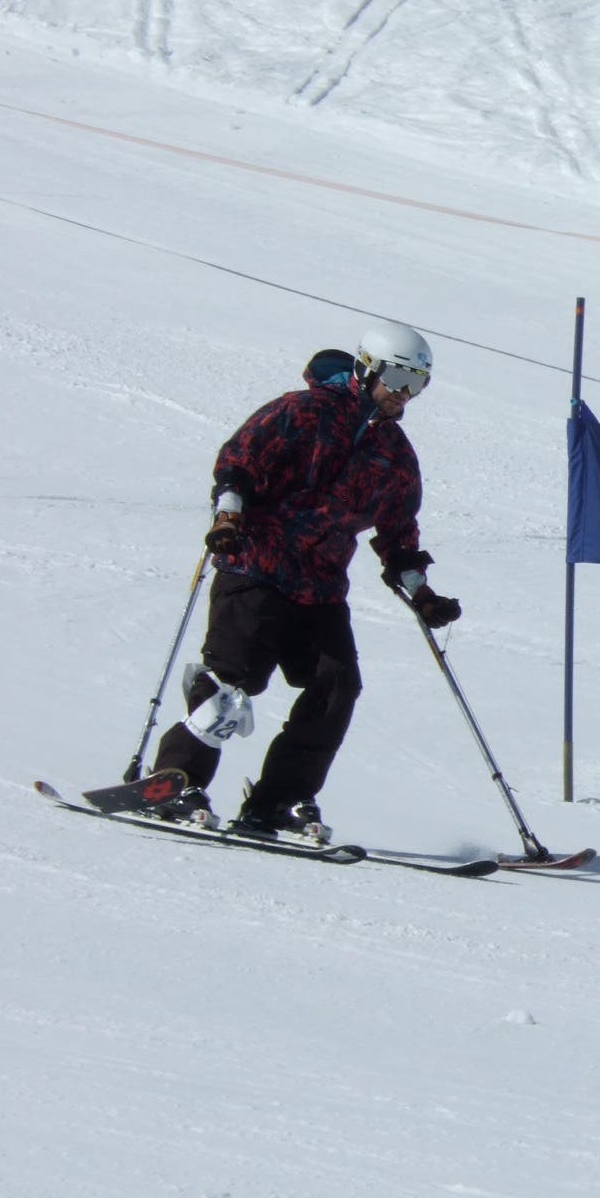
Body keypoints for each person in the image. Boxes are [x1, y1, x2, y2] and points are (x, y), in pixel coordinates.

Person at [148, 320, 462, 837]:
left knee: (336, 686)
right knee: (232, 679)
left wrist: (421, 593)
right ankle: (175, 779)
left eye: (418, 384)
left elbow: (399, 533)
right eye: (399, 379)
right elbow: (239, 462)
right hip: (255, 564)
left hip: (318, 588)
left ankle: (279, 801)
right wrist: (228, 516)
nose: (405, 395)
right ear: (367, 369)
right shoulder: (302, 411)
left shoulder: (395, 456)